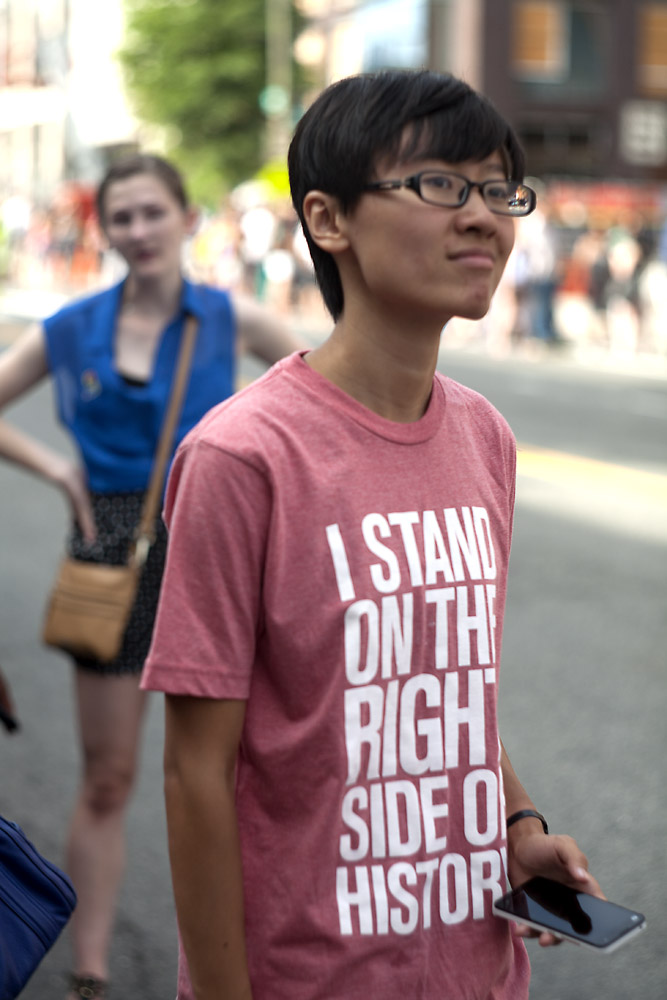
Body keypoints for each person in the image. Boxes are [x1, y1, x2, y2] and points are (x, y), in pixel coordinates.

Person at [142, 71, 603, 1000]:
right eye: (440, 184)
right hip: (307, 974)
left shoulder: (483, 437)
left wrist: (517, 823)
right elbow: (196, 774)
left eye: (497, 189)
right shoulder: (242, 457)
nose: (481, 217)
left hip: (477, 969)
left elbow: (439, 688)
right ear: (327, 219)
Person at [0, 153, 302, 1000]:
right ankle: (91, 970)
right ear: (104, 230)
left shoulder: (230, 317)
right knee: (109, 777)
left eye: (152, 212)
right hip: (107, 556)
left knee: (241, 777)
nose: (138, 230)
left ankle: (245, 960)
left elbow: (328, 396)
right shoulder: (71, 327)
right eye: (121, 217)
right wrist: (56, 468)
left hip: (216, 549)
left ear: (186, 219)